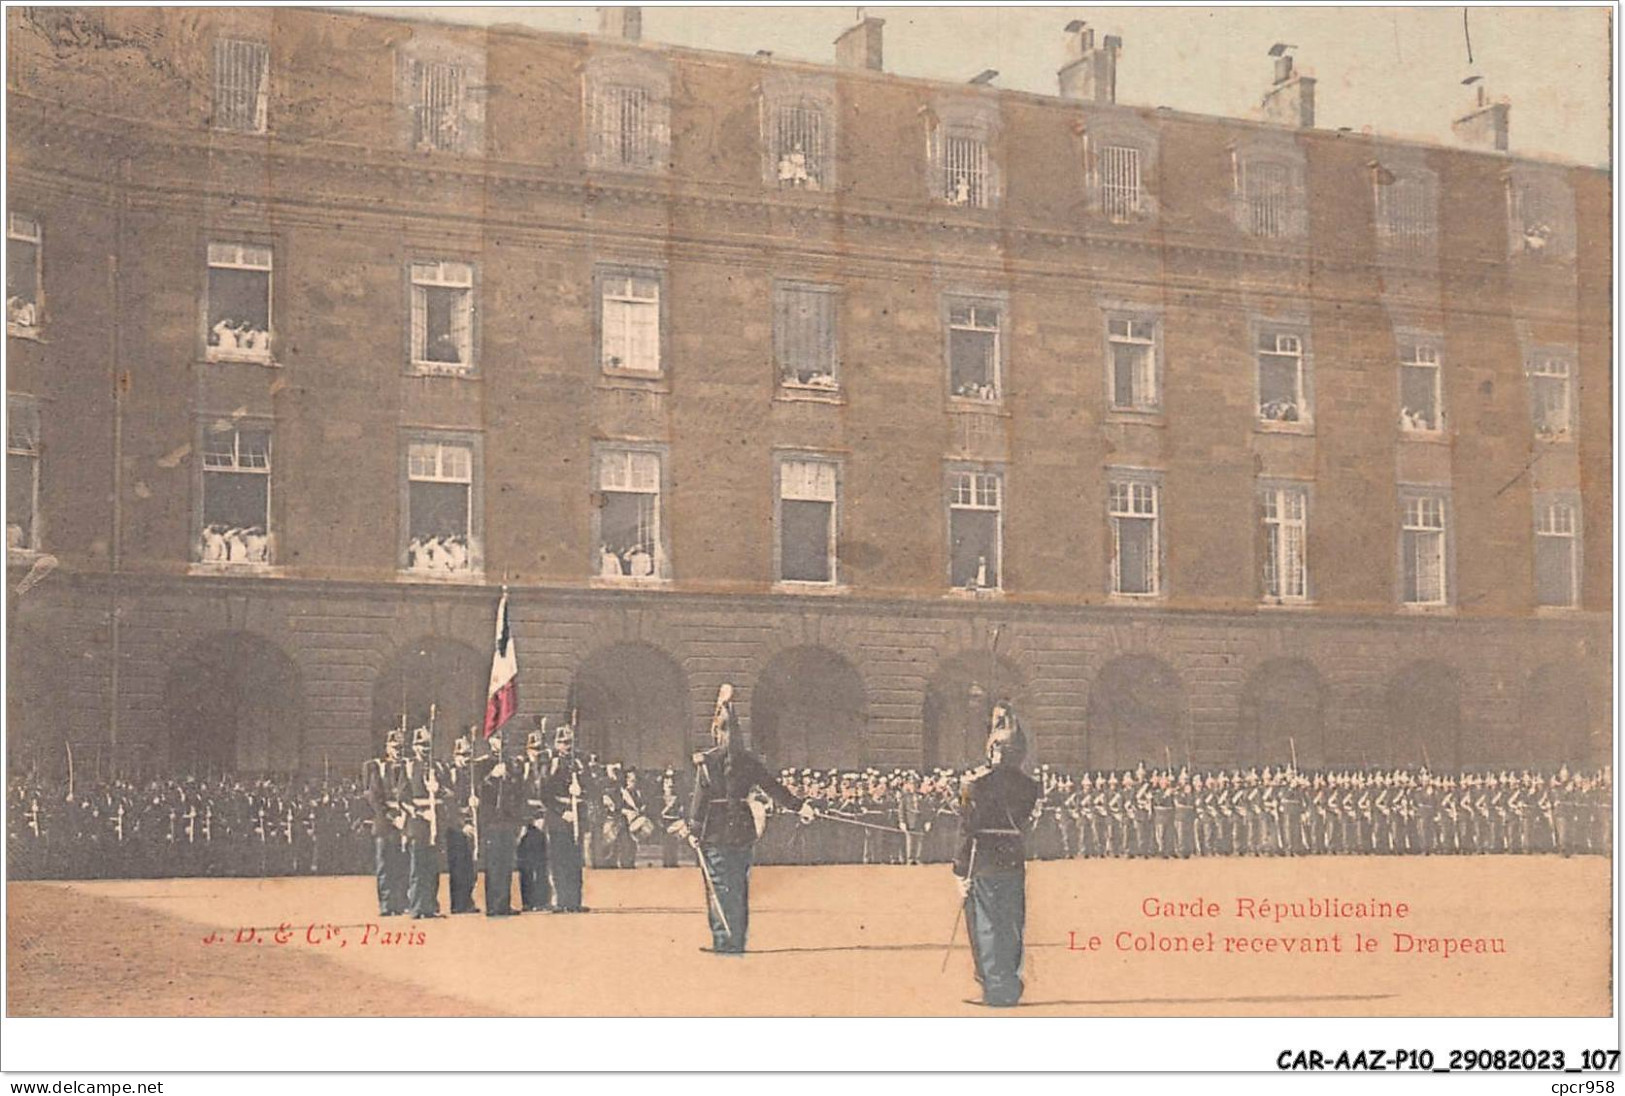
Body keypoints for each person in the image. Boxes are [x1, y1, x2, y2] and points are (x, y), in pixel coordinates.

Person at [676, 684, 815, 954]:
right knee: (739, 886)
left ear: (717, 731)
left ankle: (723, 940)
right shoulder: (749, 761)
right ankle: (737, 940)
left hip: (714, 831)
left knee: (718, 885)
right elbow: (774, 788)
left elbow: (700, 800)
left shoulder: (707, 762)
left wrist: (693, 829)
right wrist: (800, 807)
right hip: (742, 829)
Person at [952, 701, 1039, 1008]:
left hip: (983, 859)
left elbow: (966, 826)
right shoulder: (1031, 787)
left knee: (986, 926)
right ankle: (1010, 985)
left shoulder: (973, 784)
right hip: (1013, 858)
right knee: (1012, 923)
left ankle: (993, 988)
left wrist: (959, 870)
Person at [394, 726, 448, 919]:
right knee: (418, 868)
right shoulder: (409, 767)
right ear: (414, 747)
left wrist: (439, 788)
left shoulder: (438, 767)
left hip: (434, 824)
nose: (425, 749)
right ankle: (417, 907)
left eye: (427, 745)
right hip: (417, 824)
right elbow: (402, 797)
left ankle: (431, 906)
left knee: (433, 868)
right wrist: (419, 813)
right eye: (421, 745)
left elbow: (447, 793)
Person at [474, 727, 520, 915]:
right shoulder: (482, 764)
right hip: (491, 818)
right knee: (494, 863)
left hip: (507, 819)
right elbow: (477, 790)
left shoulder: (512, 763)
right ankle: (493, 906)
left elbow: (517, 791)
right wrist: (492, 776)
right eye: (498, 738)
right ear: (491, 741)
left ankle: (504, 903)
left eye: (504, 738)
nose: (502, 742)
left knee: (506, 863)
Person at [542, 722, 588, 912]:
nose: (566, 746)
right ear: (556, 744)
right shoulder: (552, 764)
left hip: (576, 816)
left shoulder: (578, 763)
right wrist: (562, 811)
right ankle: (561, 901)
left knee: (575, 861)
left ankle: (574, 901)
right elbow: (545, 794)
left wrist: (581, 790)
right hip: (559, 819)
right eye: (562, 742)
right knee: (560, 861)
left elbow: (590, 787)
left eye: (569, 742)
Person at [363, 728, 408, 916]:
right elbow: (374, 797)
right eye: (394, 746)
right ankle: (387, 904)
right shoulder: (379, 768)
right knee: (385, 865)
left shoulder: (406, 767)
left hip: (403, 820)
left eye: (400, 747)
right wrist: (391, 816)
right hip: (385, 823)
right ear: (387, 747)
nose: (397, 751)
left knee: (401, 864)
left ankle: (400, 902)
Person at [444, 734, 479, 914]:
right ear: (455, 756)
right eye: (463, 755)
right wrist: (461, 824)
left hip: (471, 823)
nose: (466, 759)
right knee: (458, 866)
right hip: (456, 827)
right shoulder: (451, 775)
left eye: (468, 755)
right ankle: (458, 903)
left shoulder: (471, 775)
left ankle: (468, 900)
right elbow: (449, 806)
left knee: (471, 867)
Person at [518, 725, 551, 912]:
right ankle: (528, 900)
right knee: (526, 862)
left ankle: (542, 899)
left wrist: (543, 815)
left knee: (542, 861)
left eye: (540, 749)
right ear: (527, 749)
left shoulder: (546, 767)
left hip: (543, 817)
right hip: (526, 819)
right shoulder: (521, 767)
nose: (537, 753)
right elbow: (517, 794)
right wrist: (527, 818)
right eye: (534, 749)